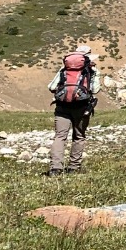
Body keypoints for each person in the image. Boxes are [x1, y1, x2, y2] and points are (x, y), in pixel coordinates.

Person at [47, 43, 100, 175]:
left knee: (60, 136)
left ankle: (56, 168)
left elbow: (51, 87)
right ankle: (73, 167)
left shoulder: (64, 69)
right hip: (81, 107)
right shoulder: (92, 70)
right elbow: (95, 89)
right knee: (79, 136)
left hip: (62, 106)